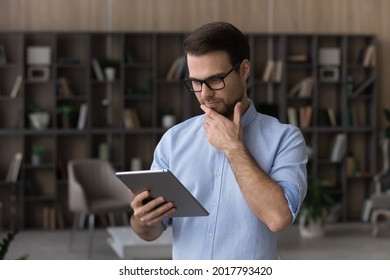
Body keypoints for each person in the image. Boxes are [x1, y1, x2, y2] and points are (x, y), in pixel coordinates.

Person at [130, 21, 307, 260]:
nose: (204, 94)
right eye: (195, 82)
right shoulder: (174, 141)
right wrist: (142, 219)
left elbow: (278, 219)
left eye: (215, 80)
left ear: (244, 70)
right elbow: (150, 232)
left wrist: (234, 148)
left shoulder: (285, 139)